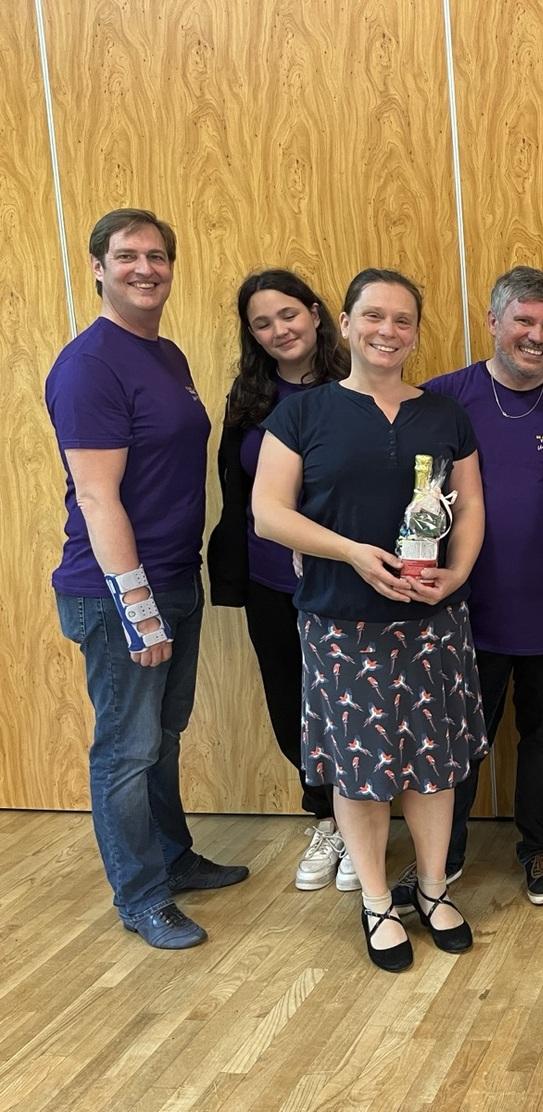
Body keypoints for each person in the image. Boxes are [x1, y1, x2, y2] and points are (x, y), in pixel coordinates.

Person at [253, 268, 488, 972]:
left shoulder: (445, 414)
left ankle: (436, 888)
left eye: (403, 320)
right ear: (346, 325)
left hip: (431, 620)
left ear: (416, 332)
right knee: (361, 770)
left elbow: (470, 506)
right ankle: (378, 900)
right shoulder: (302, 413)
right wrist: (352, 553)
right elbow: (269, 514)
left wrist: (460, 572)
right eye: (374, 317)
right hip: (340, 622)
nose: (388, 331)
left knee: (434, 767)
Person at [46, 208, 249, 950]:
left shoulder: (163, 355)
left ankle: (173, 857)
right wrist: (137, 609)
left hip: (174, 577)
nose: (145, 269)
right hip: (116, 593)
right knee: (125, 751)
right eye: (127, 256)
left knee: (162, 738)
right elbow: (98, 497)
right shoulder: (90, 365)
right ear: (98, 267)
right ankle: (140, 895)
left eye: (158, 256)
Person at [419, 267, 543, 906]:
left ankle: (540, 847)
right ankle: (445, 854)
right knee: (460, 739)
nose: (537, 335)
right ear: (493, 322)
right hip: (464, 609)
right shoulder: (441, 400)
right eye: (524, 321)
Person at [206, 269, 350, 893]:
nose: (278, 331)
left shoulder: (357, 388)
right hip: (271, 583)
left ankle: (359, 820)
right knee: (291, 704)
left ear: (316, 314)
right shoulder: (250, 398)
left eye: (288, 315)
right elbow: (236, 494)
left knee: (350, 707)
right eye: (261, 323)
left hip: (345, 582)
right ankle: (328, 819)